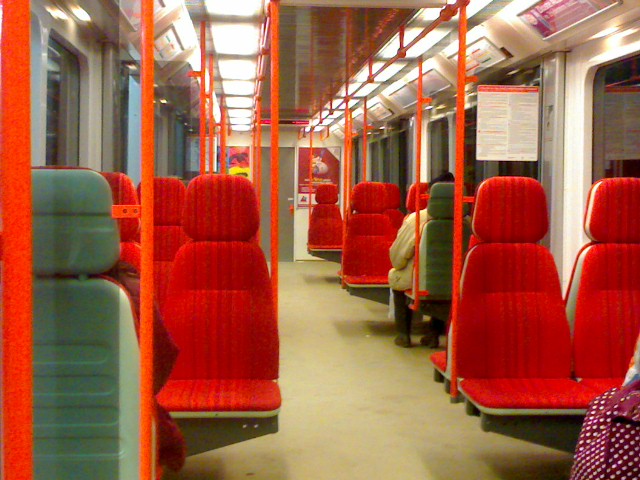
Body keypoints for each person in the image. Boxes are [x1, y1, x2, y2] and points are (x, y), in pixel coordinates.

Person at [388, 172, 454, 348]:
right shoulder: (467, 222)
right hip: (455, 281)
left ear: (431, 195)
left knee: (397, 276)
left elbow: (398, 256)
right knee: (445, 282)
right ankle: (433, 333)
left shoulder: (417, 220)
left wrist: (399, 265)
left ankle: (403, 334)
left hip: (421, 281)